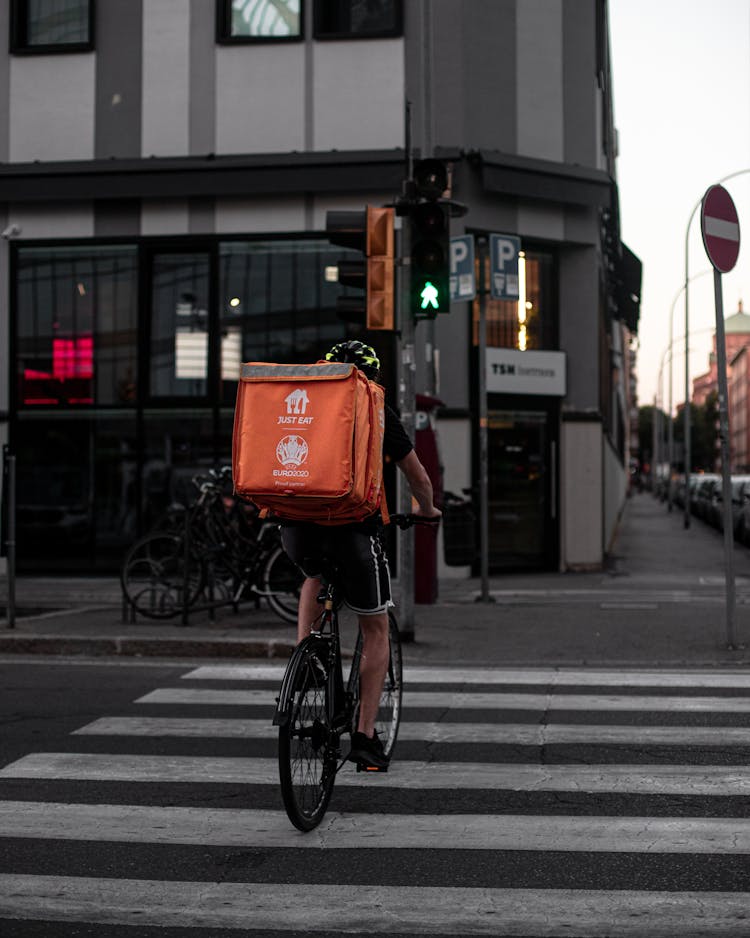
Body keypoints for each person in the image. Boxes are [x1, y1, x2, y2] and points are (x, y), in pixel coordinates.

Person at [280, 340, 441, 769]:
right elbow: (417, 474)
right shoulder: (375, 406)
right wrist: (427, 509)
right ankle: (366, 738)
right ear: (372, 377)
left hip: (295, 529)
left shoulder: (304, 405)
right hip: (353, 531)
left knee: (313, 575)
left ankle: (305, 656)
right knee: (375, 630)